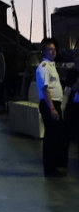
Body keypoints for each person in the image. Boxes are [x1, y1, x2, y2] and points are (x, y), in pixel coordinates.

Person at [37, 37, 67, 176]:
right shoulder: (44, 67)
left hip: (55, 104)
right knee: (50, 137)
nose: (53, 52)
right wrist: (52, 109)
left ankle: (55, 166)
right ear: (44, 51)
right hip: (50, 104)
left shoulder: (52, 66)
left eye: (54, 49)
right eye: (50, 49)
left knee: (57, 135)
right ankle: (50, 169)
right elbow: (45, 89)